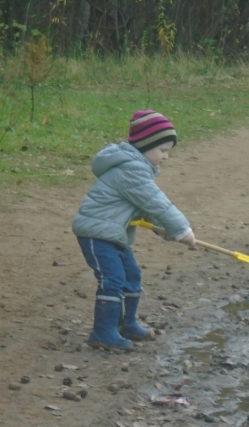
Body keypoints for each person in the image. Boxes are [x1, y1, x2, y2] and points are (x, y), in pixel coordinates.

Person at [72, 110, 196, 351]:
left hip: (113, 233)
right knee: (113, 279)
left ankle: (126, 324)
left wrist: (166, 231)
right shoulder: (132, 170)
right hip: (97, 233)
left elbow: (145, 207)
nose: (166, 156)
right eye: (162, 150)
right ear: (145, 146)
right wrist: (181, 228)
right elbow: (156, 202)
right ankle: (103, 332)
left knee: (131, 276)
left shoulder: (136, 169)